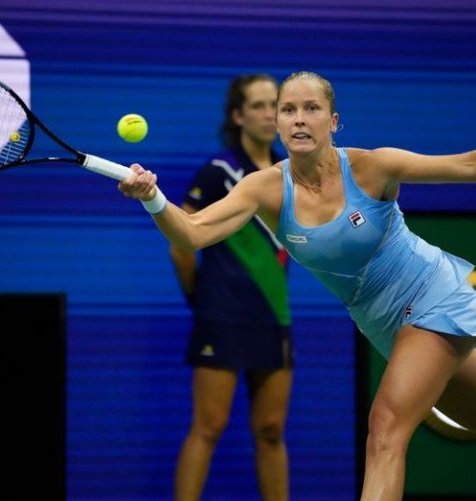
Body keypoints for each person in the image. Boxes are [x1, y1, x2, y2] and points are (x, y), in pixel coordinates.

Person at [120, 71, 476, 501]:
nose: (299, 118)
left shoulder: (372, 168)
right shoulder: (264, 189)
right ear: (277, 122)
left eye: (311, 108)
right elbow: (192, 233)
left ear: (333, 120)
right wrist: (153, 198)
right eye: (288, 109)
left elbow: (468, 165)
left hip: (431, 295)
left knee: (385, 429)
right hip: (384, 324)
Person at [168, 74, 293, 501]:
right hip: (221, 316)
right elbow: (181, 243)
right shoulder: (217, 172)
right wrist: (199, 298)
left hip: (274, 317)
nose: (269, 114)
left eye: (276, 105)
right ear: (238, 116)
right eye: (258, 105)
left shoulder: (289, 174)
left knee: (271, 429)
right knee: (209, 426)